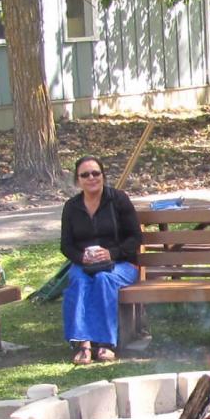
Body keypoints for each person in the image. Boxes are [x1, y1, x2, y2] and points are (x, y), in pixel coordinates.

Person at [60, 156, 141, 365]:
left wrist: (111, 253)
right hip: (85, 264)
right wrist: (81, 257)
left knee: (104, 279)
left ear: (103, 176)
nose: (91, 178)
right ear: (78, 180)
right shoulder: (71, 207)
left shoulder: (118, 199)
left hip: (122, 263)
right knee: (78, 281)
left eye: (96, 173)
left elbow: (136, 237)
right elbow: (66, 245)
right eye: (85, 175)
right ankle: (84, 344)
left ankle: (105, 343)